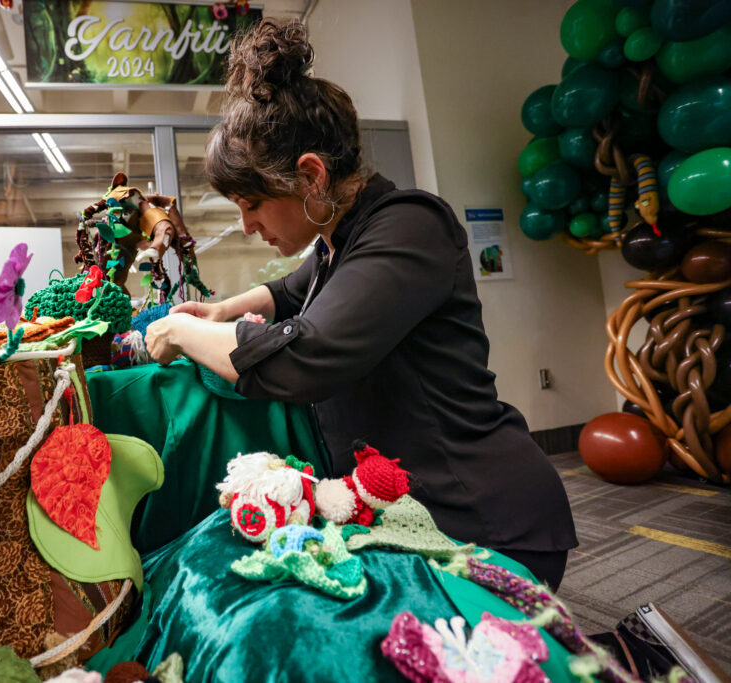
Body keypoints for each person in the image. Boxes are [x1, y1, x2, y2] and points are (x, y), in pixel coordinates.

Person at [144, 18, 576, 589]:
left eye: (252, 204)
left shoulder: (410, 226)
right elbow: (288, 291)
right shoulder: (336, 242)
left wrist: (180, 333)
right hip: (404, 510)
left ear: (310, 176)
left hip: (479, 514)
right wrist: (220, 312)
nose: (247, 226)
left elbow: (300, 359)